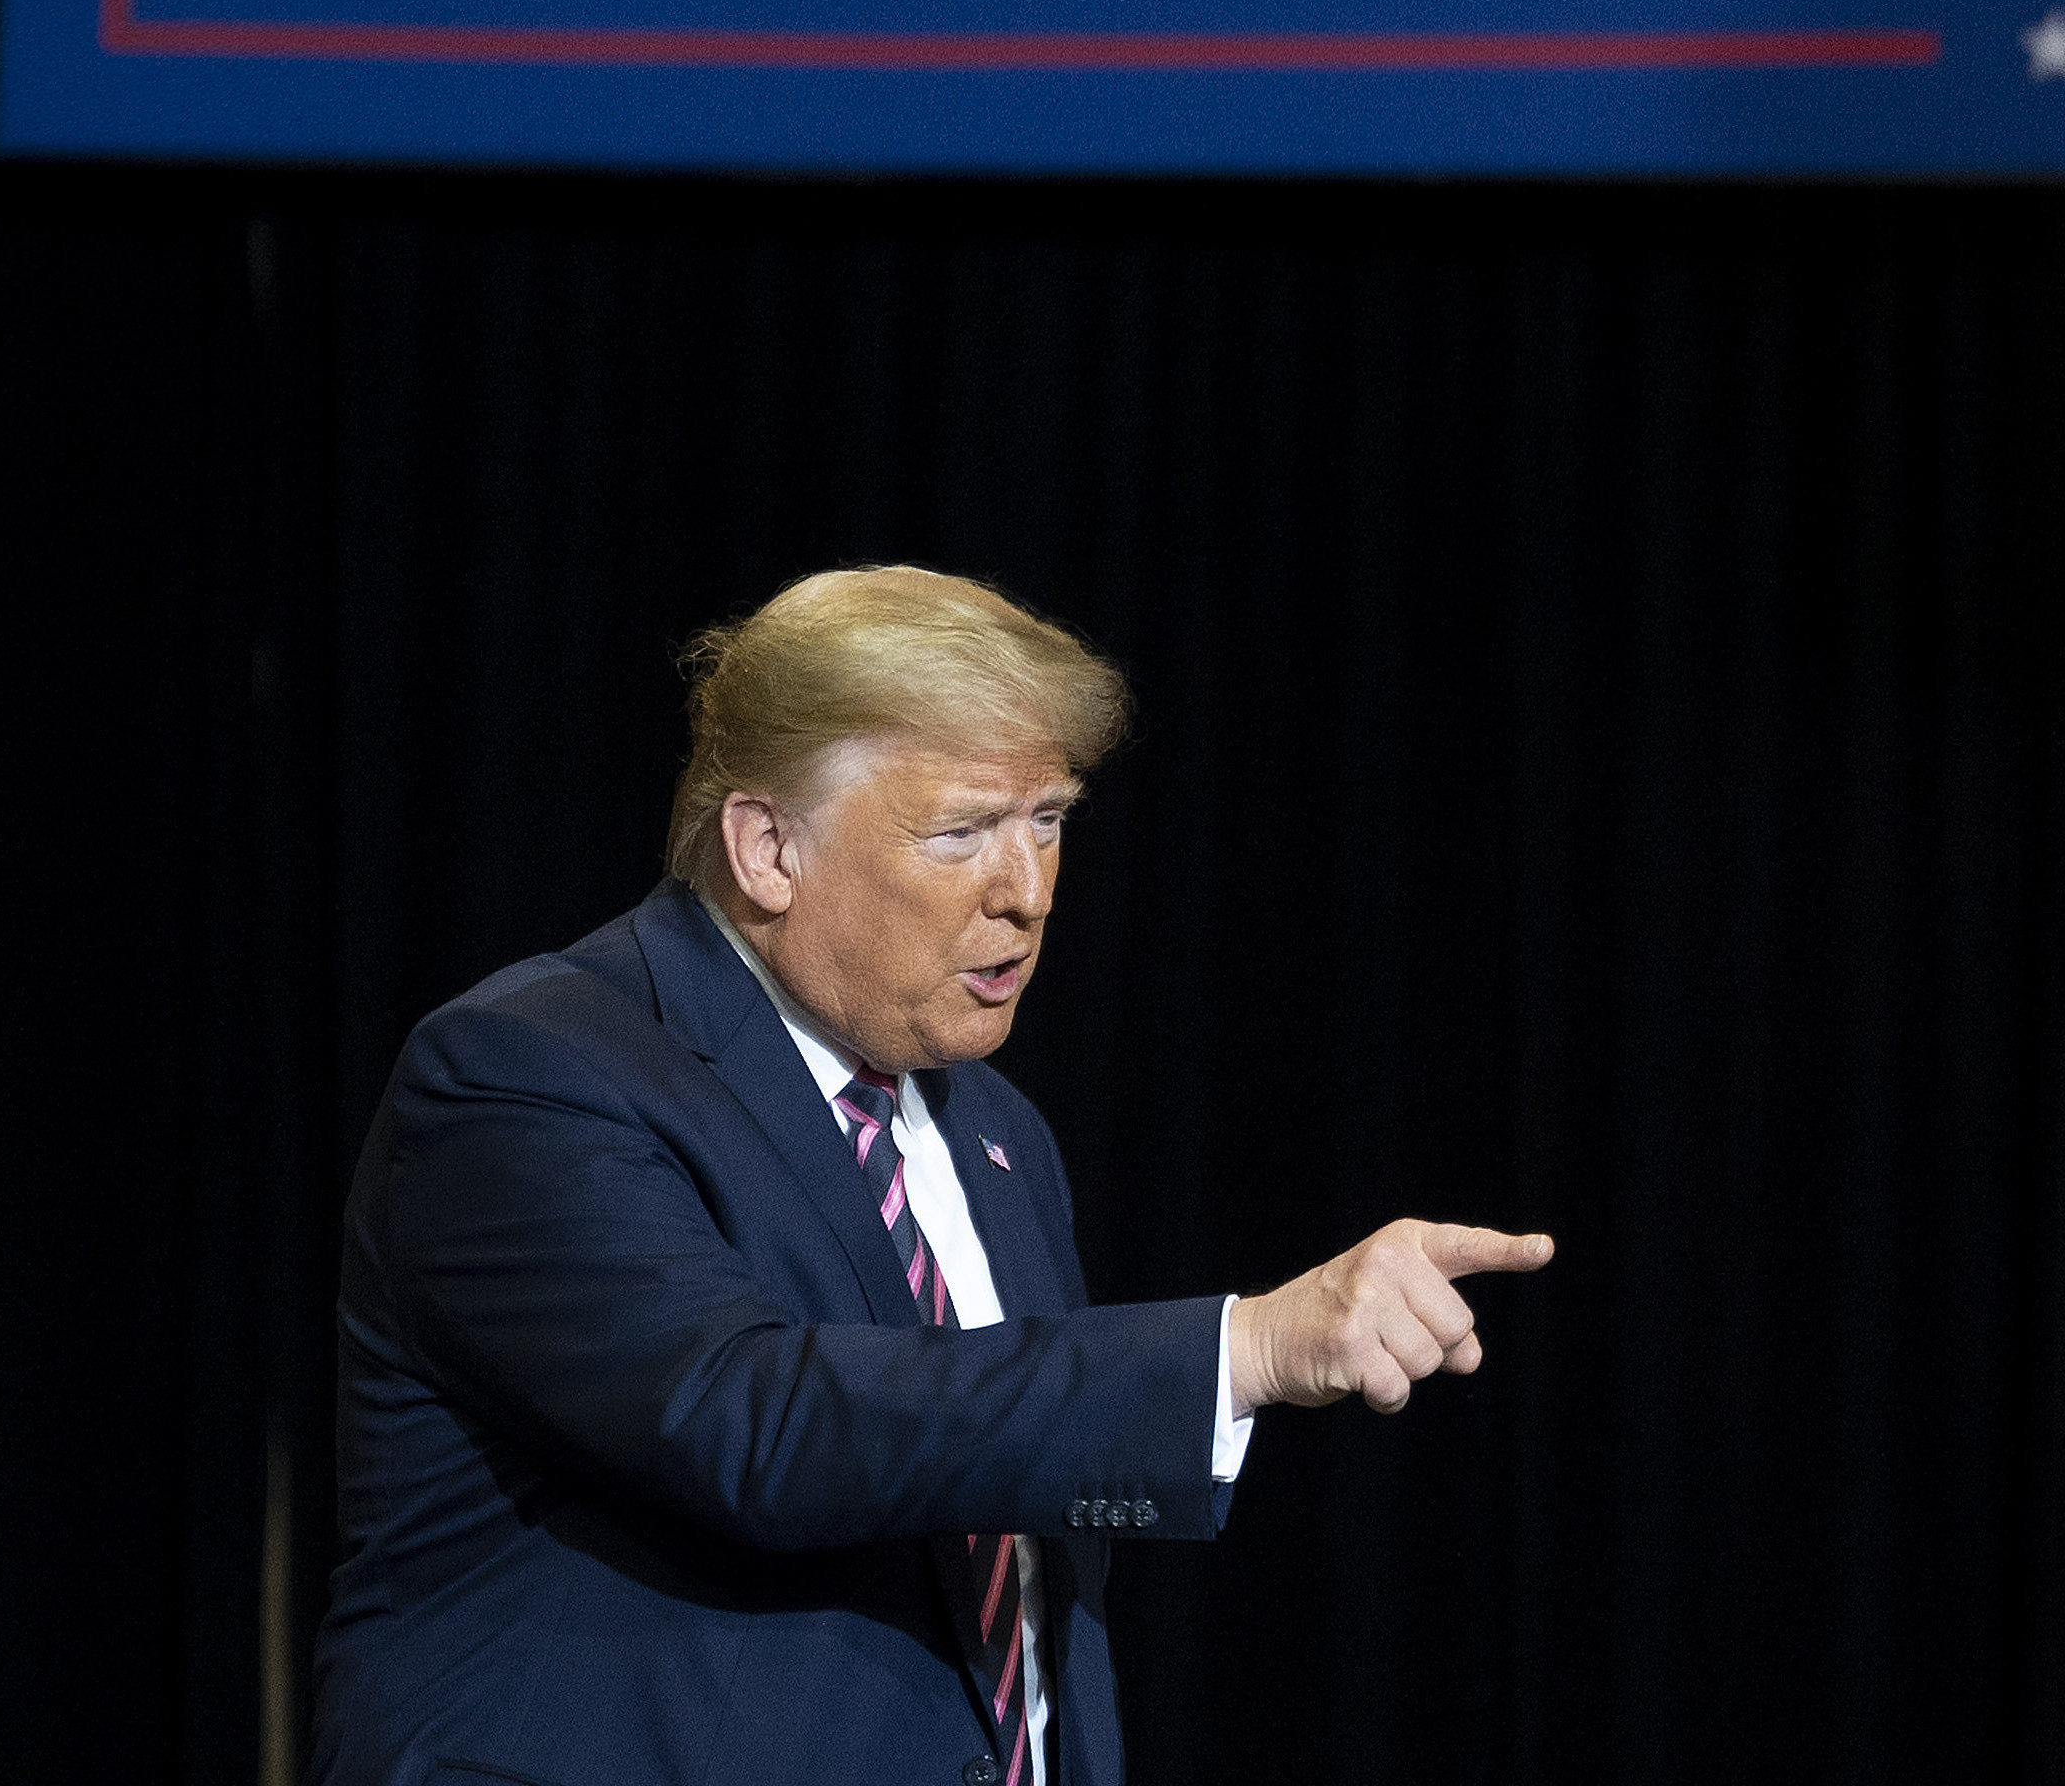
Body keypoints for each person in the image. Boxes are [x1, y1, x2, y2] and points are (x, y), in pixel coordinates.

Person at [313, 565, 1545, 1786]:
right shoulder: (527, 1072)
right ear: (768, 847)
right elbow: (753, 1422)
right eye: (961, 831)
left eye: (1049, 819)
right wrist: (1244, 1352)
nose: (1026, 893)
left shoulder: (993, 1129)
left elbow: (1031, 1552)